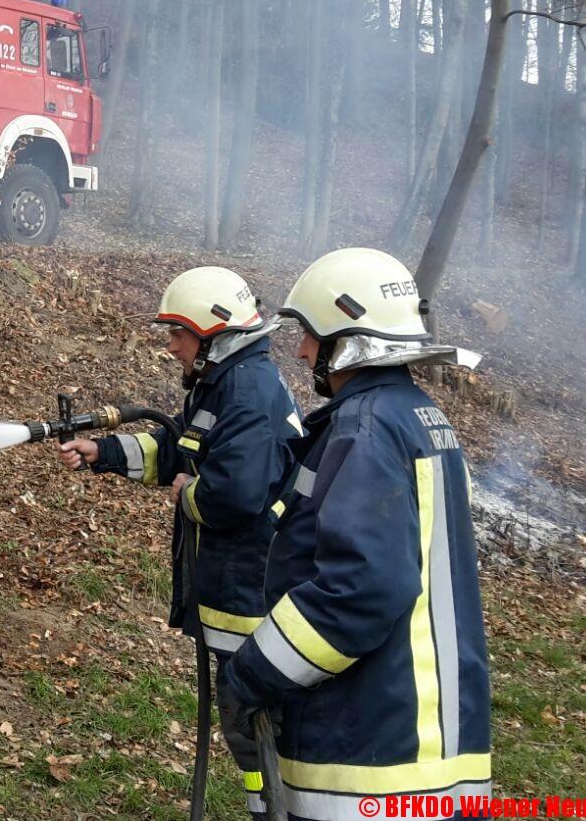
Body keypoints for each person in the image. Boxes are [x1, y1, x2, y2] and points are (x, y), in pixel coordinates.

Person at [220, 248, 492, 821]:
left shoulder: (366, 428)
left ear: (350, 340)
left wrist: (252, 673)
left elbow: (360, 590)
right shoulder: (421, 420)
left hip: (371, 756)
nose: (300, 350)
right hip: (433, 746)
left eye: (312, 338)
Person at [59, 267, 302, 818]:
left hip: (249, 595)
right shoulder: (228, 382)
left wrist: (190, 495)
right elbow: (183, 450)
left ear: (213, 333)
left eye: (177, 333)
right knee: (247, 726)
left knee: (256, 727)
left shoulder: (246, 389)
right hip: (234, 590)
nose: (170, 347)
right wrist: (108, 453)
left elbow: (234, 493)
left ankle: (277, 812)